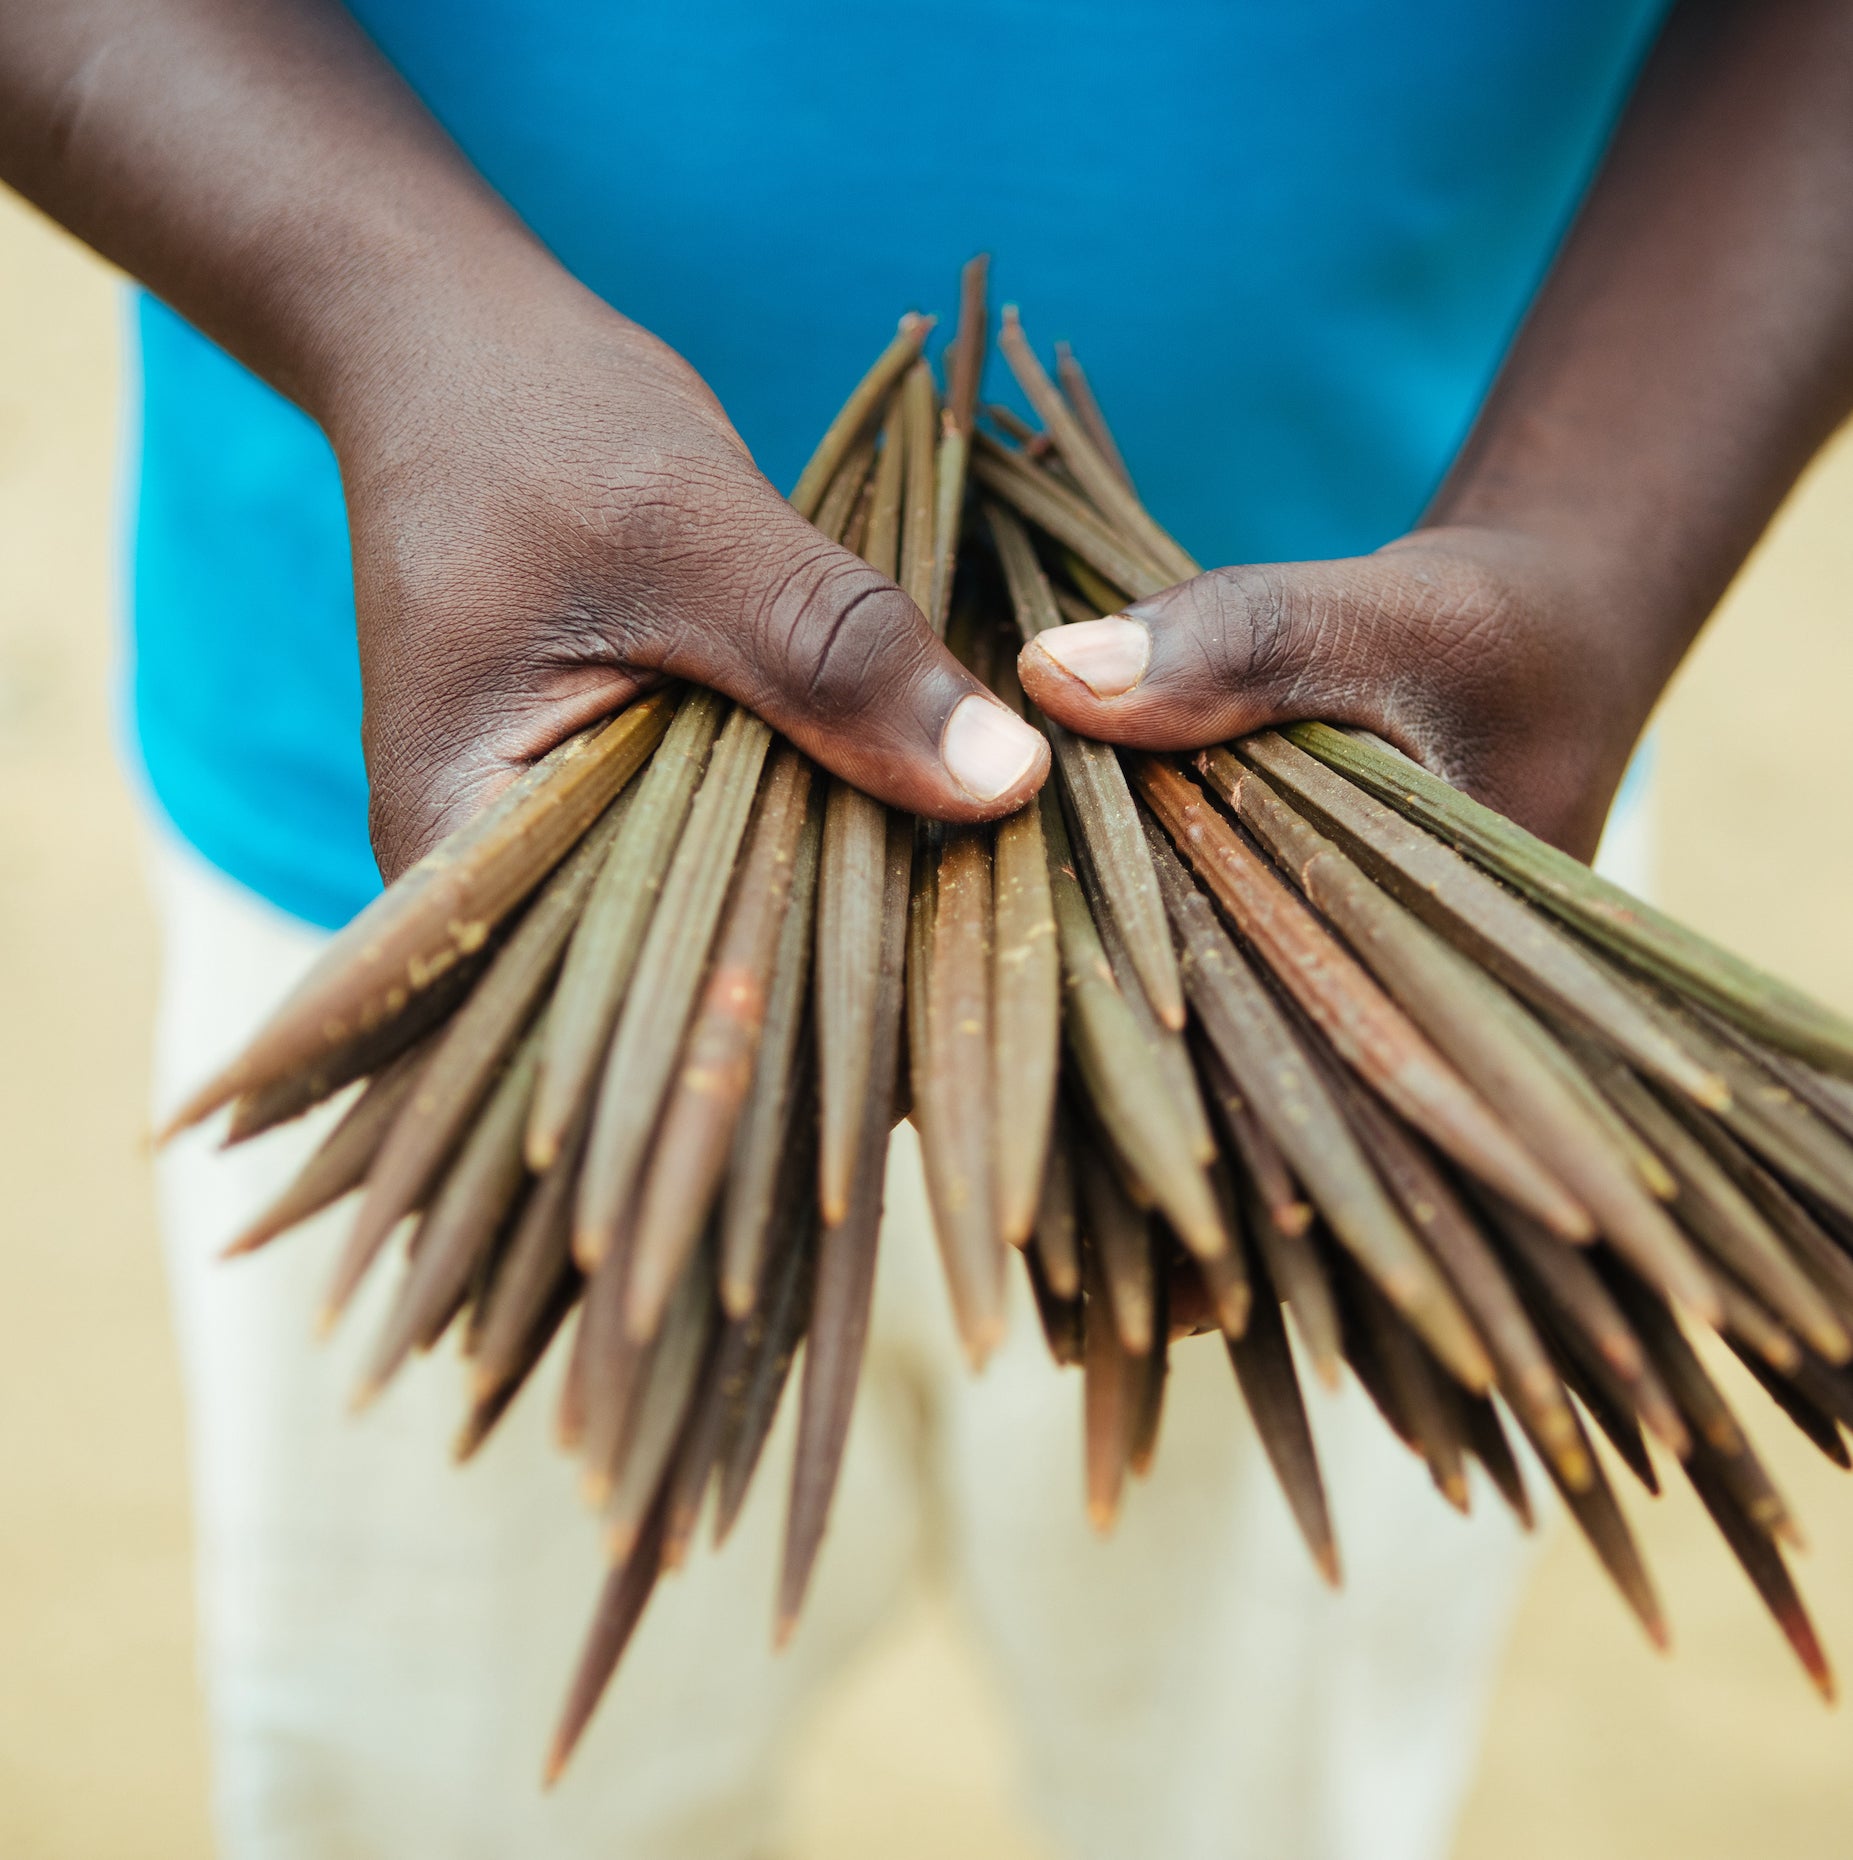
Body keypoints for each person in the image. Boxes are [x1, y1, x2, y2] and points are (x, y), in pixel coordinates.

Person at [3, 2, 1850, 1856]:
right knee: (458, 1796)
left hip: (1370, 881)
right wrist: (383, 311)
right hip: (494, 831)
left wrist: (1595, 543)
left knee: (1256, 1786)